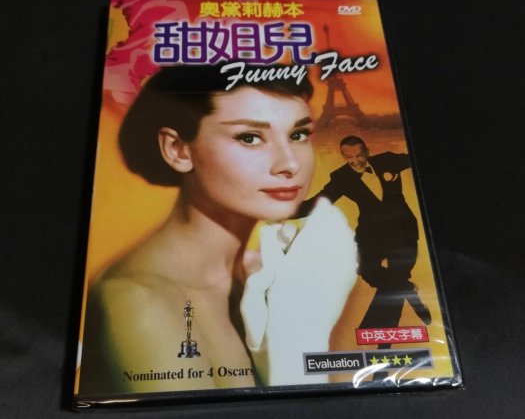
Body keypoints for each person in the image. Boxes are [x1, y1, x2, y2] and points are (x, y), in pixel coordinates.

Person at [79, 65, 356, 395]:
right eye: (249, 137)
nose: (290, 164)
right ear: (178, 149)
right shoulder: (140, 303)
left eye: (297, 135)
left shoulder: (272, 278)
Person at [297, 135, 431, 343]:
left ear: (367, 151)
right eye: (349, 157)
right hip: (371, 233)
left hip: (402, 230)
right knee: (367, 270)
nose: (355, 161)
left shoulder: (387, 161)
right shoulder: (342, 178)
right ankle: (406, 289)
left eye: (359, 155)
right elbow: (317, 203)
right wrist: (280, 209)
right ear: (343, 157)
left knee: (395, 275)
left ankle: (379, 339)